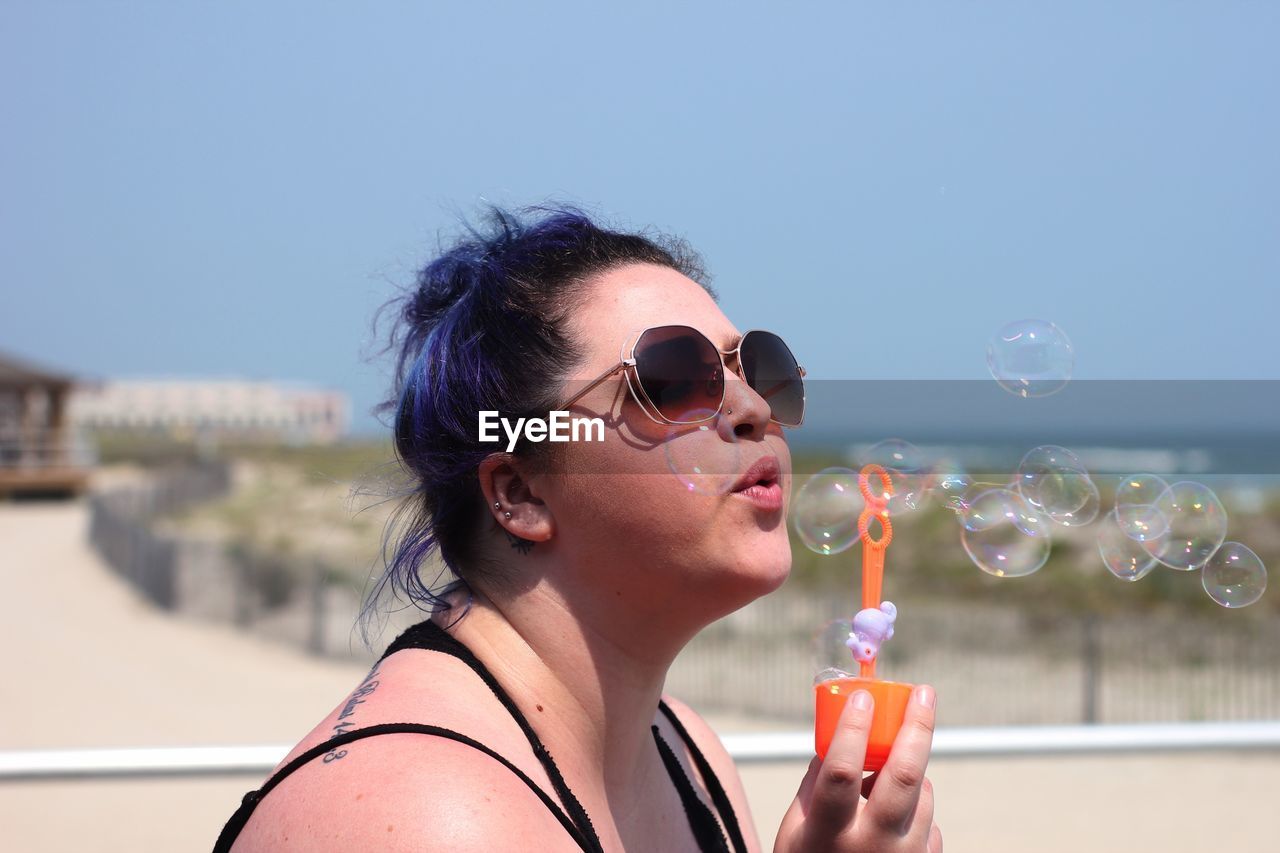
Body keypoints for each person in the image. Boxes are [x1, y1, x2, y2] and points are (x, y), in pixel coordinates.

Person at [214, 203, 941, 852]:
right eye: (674, 377)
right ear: (521, 491)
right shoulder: (433, 817)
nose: (754, 406)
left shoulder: (686, 752)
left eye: (760, 367)